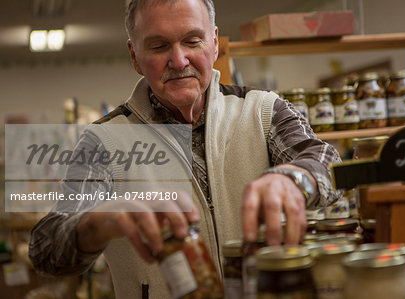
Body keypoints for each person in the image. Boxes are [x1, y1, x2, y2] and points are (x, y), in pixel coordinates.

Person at [29, 0, 342, 297]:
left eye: (192, 41)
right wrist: (94, 224)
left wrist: (295, 177)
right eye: (159, 46)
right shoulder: (102, 142)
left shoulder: (263, 110)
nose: (179, 61)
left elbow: (327, 162)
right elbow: (45, 249)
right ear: (134, 56)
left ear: (214, 43)